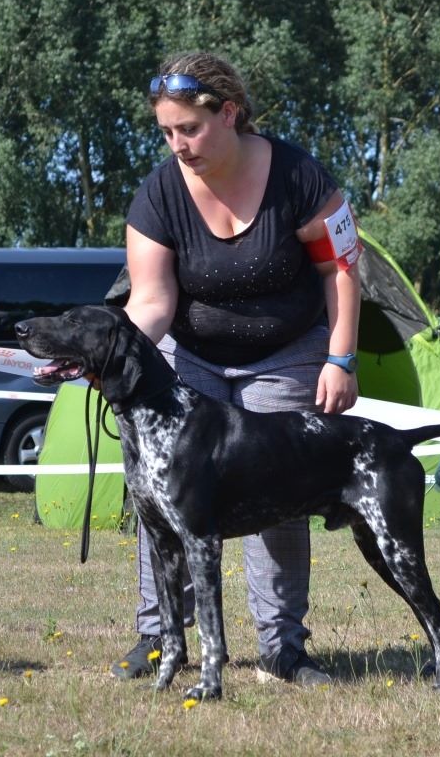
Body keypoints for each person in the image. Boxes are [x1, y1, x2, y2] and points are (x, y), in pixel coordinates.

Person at [114, 51, 362, 685]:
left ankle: (284, 648)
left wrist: (340, 358)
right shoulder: (158, 192)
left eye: (189, 129)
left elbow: (340, 269)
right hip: (189, 356)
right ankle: (160, 635)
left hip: (287, 350)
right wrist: (113, 353)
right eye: (166, 132)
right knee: (165, 496)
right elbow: (152, 301)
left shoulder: (300, 176)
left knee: (278, 501)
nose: (178, 145)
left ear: (229, 114)